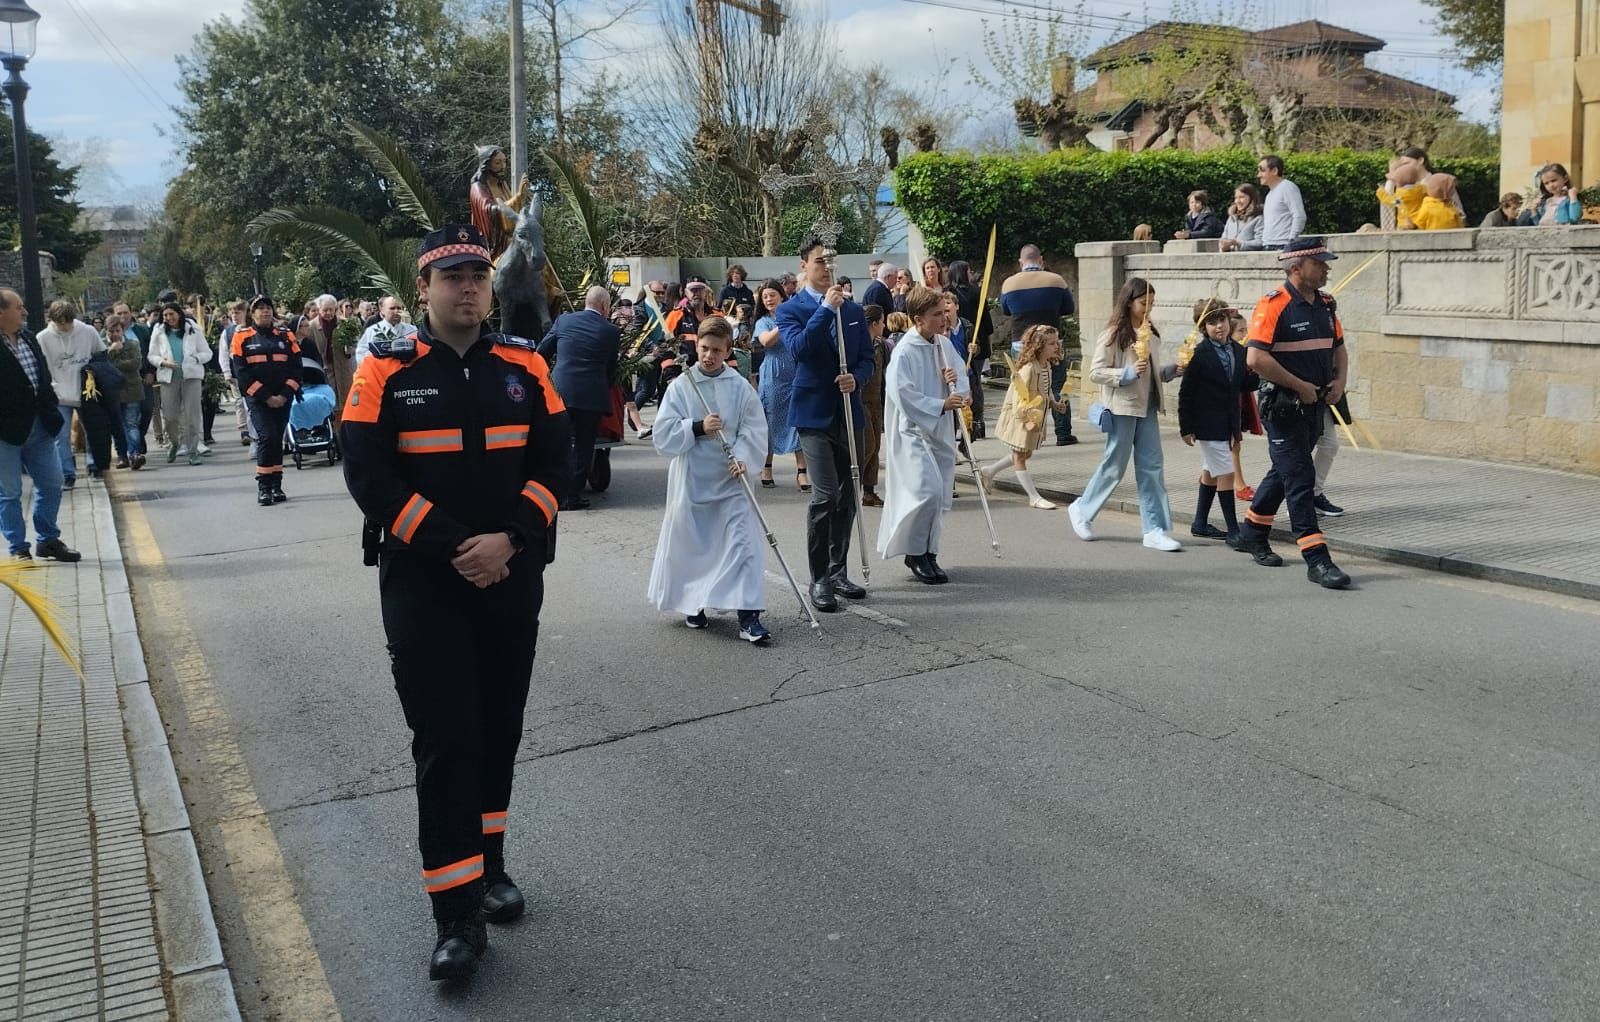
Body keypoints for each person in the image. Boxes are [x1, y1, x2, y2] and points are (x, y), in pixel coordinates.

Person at [340, 223, 572, 983]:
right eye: (453, 276)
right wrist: (456, 546)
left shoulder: (524, 365)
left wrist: (507, 540)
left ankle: (491, 864)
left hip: (512, 575)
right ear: (424, 289)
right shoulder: (384, 371)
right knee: (447, 739)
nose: (468, 286)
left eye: (478, 274)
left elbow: (558, 459)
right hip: (425, 587)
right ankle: (456, 918)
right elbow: (369, 480)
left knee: (499, 727)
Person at [1234, 236, 1353, 589]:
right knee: (1299, 476)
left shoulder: (1327, 304)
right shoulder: (1273, 305)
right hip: (1284, 407)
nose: (1327, 267)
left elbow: (1340, 348)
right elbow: (1255, 359)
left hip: (1315, 404)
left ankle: (1252, 531)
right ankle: (1317, 560)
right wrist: (1299, 385)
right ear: (1297, 268)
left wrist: (1340, 381)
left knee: (1285, 469)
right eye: (1321, 263)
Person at [647, 315, 771, 644]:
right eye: (704, 348)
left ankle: (748, 616)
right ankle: (694, 601)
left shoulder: (740, 387)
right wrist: (698, 427)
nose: (708, 356)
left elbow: (754, 428)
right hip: (694, 479)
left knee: (743, 545)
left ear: (727, 350)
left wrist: (743, 457)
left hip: (731, 481)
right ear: (696, 347)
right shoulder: (681, 386)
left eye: (717, 350)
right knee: (695, 548)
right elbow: (663, 435)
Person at [776, 235, 876, 613]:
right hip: (813, 414)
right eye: (820, 262)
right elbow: (799, 348)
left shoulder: (853, 310)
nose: (827, 269)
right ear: (804, 265)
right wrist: (825, 309)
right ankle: (818, 577)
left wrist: (859, 378)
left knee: (848, 495)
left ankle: (838, 571)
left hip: (849, 412)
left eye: (832, 263)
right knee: (825, 495)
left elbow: (866, 356)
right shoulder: (792, 309)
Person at [1066, 276, 1182, 552]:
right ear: (1129, 301)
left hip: (1149, 407)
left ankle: (1154, 529)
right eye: (1144, 303)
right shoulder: (1113, 334)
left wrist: (1169, 371)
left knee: (1152, 469)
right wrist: (1126, 374)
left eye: (1152, 303)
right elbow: (1095, 373)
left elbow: (1150, 372)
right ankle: (1082, 509)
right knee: (1114, 466)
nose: (1148, 308)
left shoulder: (1150, 332)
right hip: (1121, 408)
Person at [876, 285, 969, 585]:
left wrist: (958, 388)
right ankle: (914, 552)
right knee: (925, 492)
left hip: (940, 429)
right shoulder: (904, 351)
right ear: (918, 319)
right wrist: (941, 404)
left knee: (940, 494)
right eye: (936, 314)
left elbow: (961, 378)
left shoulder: (943, 344)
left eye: (944, 312)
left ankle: (930, 552)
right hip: (913, 431)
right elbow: (903, 395)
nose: (944, 319)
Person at [0, 289, 81, 562]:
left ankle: (47, 540)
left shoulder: (29, 338)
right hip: (6, 434)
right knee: (10, 492)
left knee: (52, 484)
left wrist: (50, 407)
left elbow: (42, 377)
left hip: (41, 427)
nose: (24, 312)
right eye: (18, 307)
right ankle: (18, 548)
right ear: (1, 312)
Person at [537, 286, 621, 511]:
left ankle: (549, 491)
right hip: (590, 396)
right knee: (583, 446)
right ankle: (570, 495)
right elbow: (611, 369)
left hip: (560, 391)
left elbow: (542, 352)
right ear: (605, 306)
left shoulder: (564, 321)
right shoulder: (611, 331)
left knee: (556, 442)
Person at [1178, 300, 1255, 544]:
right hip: (1207, 421)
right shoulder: (1198, 354)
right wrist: (1186, 427)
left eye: (1221, 320)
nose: (1218, 327)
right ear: (1203, 328)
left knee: (1211, 471)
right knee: (1226, 472)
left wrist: (1261, 372)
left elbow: (1243, 384)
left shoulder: (1239, 350)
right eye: (1211, 323)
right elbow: (1186, 392)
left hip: (1229, 420)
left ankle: (1200, 523)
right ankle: (1233, 530)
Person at [998, 244, 1078, 446]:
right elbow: (1069, 308)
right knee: (1057, 386)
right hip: (1052, 343)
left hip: (1020, 344)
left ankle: (1025, 433)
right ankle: (1063, 433)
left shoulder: (1009, 284)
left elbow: (1006, 310)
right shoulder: (1056, 281)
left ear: (1020, 262)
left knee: (1024, 389)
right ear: (1041, 260)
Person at [981, 323, 1064, 509]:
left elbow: (1046, 388)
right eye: (1051, 343)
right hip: (1023, 418)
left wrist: (1054, 403)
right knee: (1020, 455)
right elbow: (1019, 396)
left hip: (1036, 418)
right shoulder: (1028, 369)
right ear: (1039, 346)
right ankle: (1033, 497)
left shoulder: (1046, 366)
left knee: (1025, 453)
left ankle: (989, 471)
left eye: (1056, 342)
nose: (1056, 346)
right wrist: (1026, 420)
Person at [231, 296, 305, 506]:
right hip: (258, 399)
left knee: (276, 439)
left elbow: (297, 368)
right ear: (251, 313)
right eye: (260, 308)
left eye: (268, 308)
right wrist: (266, 397)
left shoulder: (286, 335)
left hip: (283, 397)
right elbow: (242, 374)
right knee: (266, 437)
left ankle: (276, 485)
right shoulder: (241, 337)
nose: (265, 312)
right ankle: (264, 487)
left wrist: (284, 395)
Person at [36, 301, 105, 489]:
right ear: (53, 321)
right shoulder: (43, 338)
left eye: (68, 322)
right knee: (61, 436)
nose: (65, 327)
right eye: (60, 323)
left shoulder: (88, 331)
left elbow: (101, 354)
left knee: (91, 430)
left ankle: (93, 464)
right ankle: (67, 473)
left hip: (85, 390)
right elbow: (40, 366)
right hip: (59, 393)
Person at [754, 280, 806, 490]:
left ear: (782, 296)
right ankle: (767, 466)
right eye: (765, 296)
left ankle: (802, 471)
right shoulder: (763, 321)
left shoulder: (793, 316)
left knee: (798, 420)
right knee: (771, 419)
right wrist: (783, 322)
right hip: (773, 374)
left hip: (795, 371)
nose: (768, 300)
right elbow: (766, 341)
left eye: (772, 295)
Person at [147, 303, 212, 466]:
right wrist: (162, 362)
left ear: (179, 314)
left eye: (172, 314)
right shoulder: (159, 330)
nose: (169, 318)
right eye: (166, 315)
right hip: (169, 378)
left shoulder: (192, 328)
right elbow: (151, 355)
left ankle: (192, 450)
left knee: (192, 416)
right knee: (170, 417)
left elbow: (207, 352)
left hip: (191, 377)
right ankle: (175, 443)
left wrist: (196, 358)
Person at [945, 259, 990, 439]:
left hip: (967, 367)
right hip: (949, 370)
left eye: (949, 305)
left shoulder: (967, 326)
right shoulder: (941, 329)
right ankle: (957, 431)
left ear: (956, 306)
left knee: (973, 393)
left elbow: (976, 340)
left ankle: (973, 428)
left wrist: (976, 348)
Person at [468, 145, 530, 261]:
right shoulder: (478, 188)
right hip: (492, 246)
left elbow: (514, 213)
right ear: (486, 165)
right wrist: (518, 197)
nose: (503, 167)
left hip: (512, 240)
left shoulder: (503, 185)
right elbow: (489, 210)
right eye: (497, 163)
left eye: (504, 162)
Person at [104, 318, 147, 469]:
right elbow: (103, 366)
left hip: (131, 389)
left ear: (122, 331)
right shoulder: (103, 347)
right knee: (117, 426)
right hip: (112, 392)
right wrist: (112, 351)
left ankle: (135, 454)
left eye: (118, 331)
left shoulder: (132, 344)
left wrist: (117, 359)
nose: (115, 334)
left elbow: (135, 364)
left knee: (131, 423)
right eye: (111, 331)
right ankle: (122, 456)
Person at [860, 304, 888, 508]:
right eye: (882, 321)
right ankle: (849, 484)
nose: (884, 325)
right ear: (874, 323)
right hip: (859, 399)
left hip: (876, 400)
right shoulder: (858, 344)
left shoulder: (881, 345)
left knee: (876, 445)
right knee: (867, 445)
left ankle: (869, 491)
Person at [218, 301, 255, 447]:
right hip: (236, 372)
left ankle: (254, 427)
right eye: (232, 313)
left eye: (238, 312)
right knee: (239, 401)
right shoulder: (228, 332)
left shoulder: (252, 328)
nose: (234, 315)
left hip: (252, 371)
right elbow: (224, 353)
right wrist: (227, 372)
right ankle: (244, 429)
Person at [354, 296, 420, 368]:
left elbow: (420, 351)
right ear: (382, 310)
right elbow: (360, 353)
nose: (396, 311)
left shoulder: (412, 330)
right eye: (392, 308)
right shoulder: (372, 331)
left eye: (399, 308)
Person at [1257, 155, 1307, 249]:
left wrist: (1291, 240)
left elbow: (1299, 215)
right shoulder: (1270, 194)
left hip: (1282, 245)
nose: (1258, 175)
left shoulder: (1287, 187)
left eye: (1262, 170)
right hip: (1269, 244)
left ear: (1274, 171)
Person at [1518, 163, 1583, 225]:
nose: (1551, 185)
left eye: (1553, 180)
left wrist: (1573, 197)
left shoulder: (1568, 198)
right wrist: (1534, 210)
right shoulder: (1546, 201)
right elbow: (1539, 224)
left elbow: (1575, 218)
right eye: (1546, 183)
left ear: (1565, 178)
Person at [1218, 184, 1263, 251]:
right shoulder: (1231, 218)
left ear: (1251, 198)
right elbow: (1223, 238)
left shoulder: (1259, 218)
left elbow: (1261, 242)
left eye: (1242, 197)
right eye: (1236, 198)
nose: (1237, 201)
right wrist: (1223, 246)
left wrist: (1238, 243)